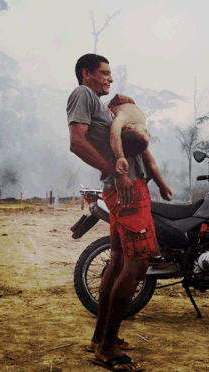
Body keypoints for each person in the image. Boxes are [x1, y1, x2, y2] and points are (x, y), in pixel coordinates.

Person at [67, 53, 171, 372]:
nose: (110, 80)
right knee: (137, 266)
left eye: (111, 75)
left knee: (116, 263)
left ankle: (101, 338)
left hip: (124, 187)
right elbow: (76, 142)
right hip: (127, 189)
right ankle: (109, 347)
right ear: (86, 74)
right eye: (104, 73)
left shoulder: (103, 108)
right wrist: (116, 171)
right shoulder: (82, 94)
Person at [107, 94, 150, 177]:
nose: (149, 133)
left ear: (129, 126)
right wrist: (161, 185)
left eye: (145, 131)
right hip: (128, 103)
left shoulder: (122, 119)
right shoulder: (138, 135)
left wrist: (120, 157)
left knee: (116, 99)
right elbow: (152, 164)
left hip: (114, 105)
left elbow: (114, 134)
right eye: (148, 135)